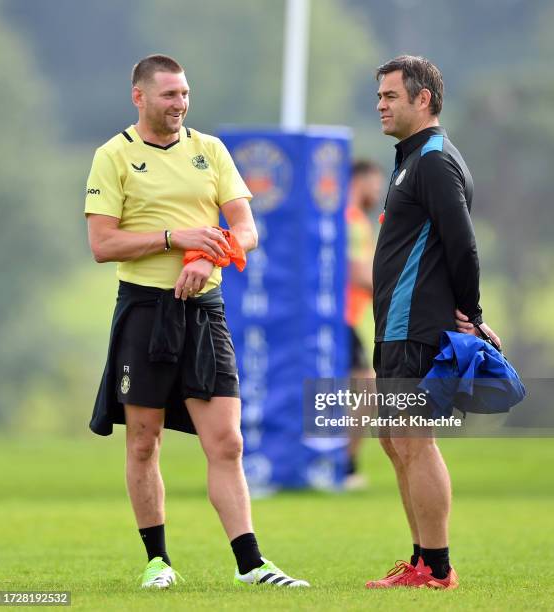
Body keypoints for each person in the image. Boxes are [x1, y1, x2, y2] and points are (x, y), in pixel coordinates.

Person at [84, 54, 309, 590]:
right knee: (143, 439)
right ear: (139, 97)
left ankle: (251, 565)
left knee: (227, 441)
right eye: (169, 95)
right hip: (144, 310)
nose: (180, 104)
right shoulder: (113, 155)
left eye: (184, 94)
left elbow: (247, 228)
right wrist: (175, 238)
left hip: (205, 312)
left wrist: (211, 256)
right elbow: (102, 244)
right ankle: (158, 562)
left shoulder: (210, 150)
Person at [364, 55, 501, 590]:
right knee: (394, 438)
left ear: (423, 100)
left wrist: (475, 315)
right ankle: (421, 561)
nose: (380, 104)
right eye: (378, 96)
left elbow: (463, 244)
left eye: (391, 96)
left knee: (414, 439)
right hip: (395, 327)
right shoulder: (409, 160)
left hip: (416, 326)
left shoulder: (434, 161)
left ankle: (438, 568)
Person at [344, 160, 383, 490]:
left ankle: (340, 464)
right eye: (374, 183)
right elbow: (358, 273)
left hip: (349, 318)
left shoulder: (353, 220)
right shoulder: (351, 220)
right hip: (343, 318)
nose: (378, 191)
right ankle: (345, 466)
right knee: (367, 389)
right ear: (359, 181)